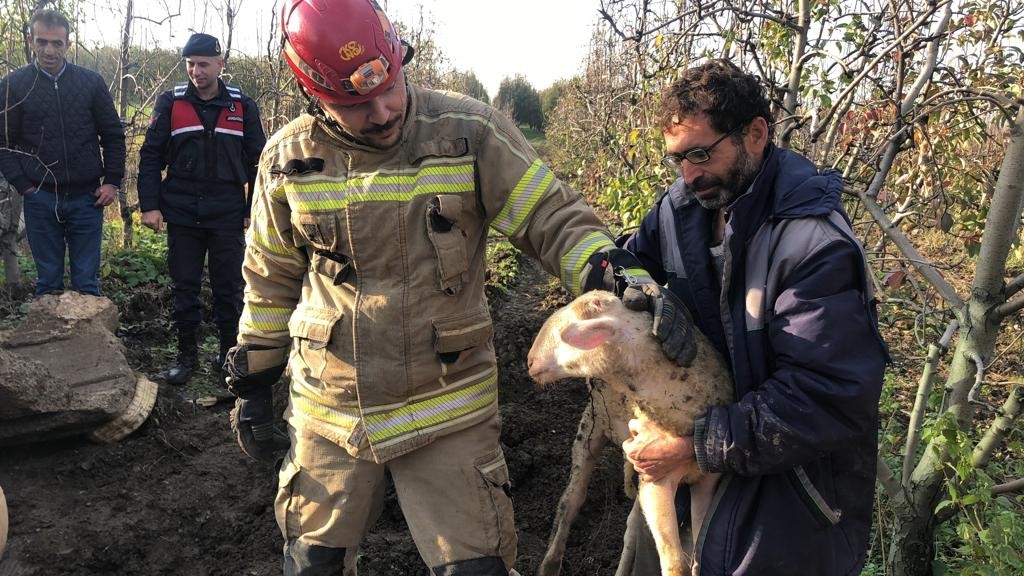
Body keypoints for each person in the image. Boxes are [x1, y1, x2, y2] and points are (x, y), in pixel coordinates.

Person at [221, 1, 694, 574]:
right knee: (313, 563)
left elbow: (554, 219)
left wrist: (621, 277)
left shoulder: (469, 134)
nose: (382, 110)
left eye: (389, 85)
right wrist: (255, 377)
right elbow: (269, 280)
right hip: (333, 410)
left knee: (476, 568)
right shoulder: (287, 160)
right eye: (355, 104)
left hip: (447, 406)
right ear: (315, 98)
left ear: (398, 60)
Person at [619, 59, 889, 575]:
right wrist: (637, 292)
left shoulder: (812, 243)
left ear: (756, 134)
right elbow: (632, 261)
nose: (689, 174)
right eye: (678, 159)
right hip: (688, 462)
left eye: (701, 154)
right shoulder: (681, 210)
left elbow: (828, 396)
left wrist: (695, 445)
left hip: (785, 500)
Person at [138, 33, 267, 385]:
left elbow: (260, 163)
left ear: (220, 63)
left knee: (229, 289)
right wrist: (150, 205)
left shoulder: (242, 106)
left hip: (226, 211)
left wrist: (252, 209)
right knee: (185, 287)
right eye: (191, 64)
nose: (197, 71)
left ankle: (228, 356)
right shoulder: (171, 103)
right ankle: (185, 357)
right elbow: (150, 155)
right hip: (181, 210)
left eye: (204, 64)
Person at [0, 9, 126, 296]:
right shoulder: (14, 86)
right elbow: (3, 142)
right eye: (42, 41)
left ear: (68, 44)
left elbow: (113, 135)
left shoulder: (90, 83)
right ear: (31, 41)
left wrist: (112, 181)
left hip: (87, 199)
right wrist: (25, 186)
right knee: (48, 285)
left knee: (87, 284)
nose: (49, 50)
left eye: (56, 43)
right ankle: (50, 341)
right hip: (40, 197)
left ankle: (89, 341)